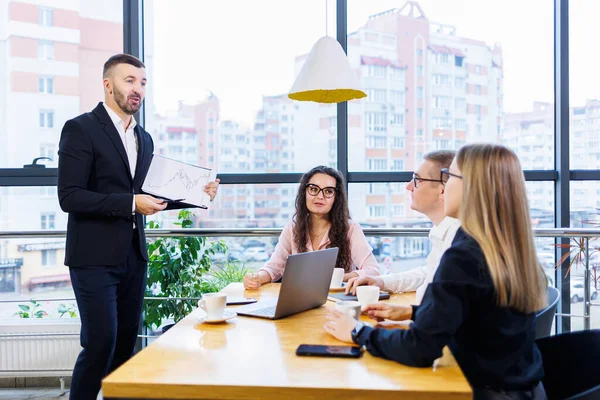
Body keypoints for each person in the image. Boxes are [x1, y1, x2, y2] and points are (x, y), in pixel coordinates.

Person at [324, 144, 548, 399]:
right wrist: (420, 314)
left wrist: (357, 332)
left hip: (485, 393)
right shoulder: (506, 246)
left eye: (450, 175)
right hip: (527, 389)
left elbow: (420, 350)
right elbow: (483, 315)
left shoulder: (464, 255)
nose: (445, 185)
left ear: (472, 187)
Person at [57, 54, 220, 400]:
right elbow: (70, 197)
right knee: (100, 343)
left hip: (133, 257)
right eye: (129, 80)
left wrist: (198, 195)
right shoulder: (81, 128)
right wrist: (131, 203)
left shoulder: (144, 139)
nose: (138, 89)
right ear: (108, 84)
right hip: (93, 259)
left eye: (143, 82)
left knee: (125, 347)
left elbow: (152, 196)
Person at [345, 151, 460, 316]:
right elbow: (428, 272)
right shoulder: (445, 230)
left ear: (442, 191)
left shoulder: (459, 239)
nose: (409, 186)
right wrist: (381, 282)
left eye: (417, 180)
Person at [243, 165, 379, 289]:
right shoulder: (293, 227)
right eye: (314, 189)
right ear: (305, 192)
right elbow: (274, 267)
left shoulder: (351, 229)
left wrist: (339, 278)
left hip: (338, 302)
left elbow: (373, 271)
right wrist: (257, 278)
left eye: (328, 191)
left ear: (336, 197)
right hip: (300, 300)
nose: (320, 196)